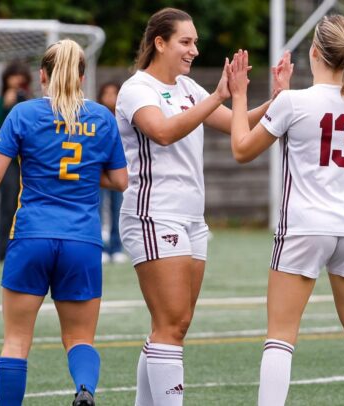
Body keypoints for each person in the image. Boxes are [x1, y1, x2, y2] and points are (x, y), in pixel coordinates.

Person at [115, 7, 291, 406]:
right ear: (159, 43)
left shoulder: (188, 89)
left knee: (173, 324)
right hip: (153, 215)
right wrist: (216, 96)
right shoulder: (136, 88)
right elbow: (160, 132)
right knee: (172, 324)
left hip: (192, 219)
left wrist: (276, 101)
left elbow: (237, 122)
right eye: (185, 41)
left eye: (195, 42)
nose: (194, 49)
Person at [227, 15, 344, 406]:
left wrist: (240, 95)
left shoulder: (293, 102)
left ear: (314, 52)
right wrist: (282, 95)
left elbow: (241, 148)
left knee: (280, 337)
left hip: (305, 227)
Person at [0, 39, 128, 406]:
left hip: (32, 236)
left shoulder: (23, 114)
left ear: (43, 75)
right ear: (82, 77)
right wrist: (79, 174)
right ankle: (84, 390)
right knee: (80, 339)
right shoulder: (101, 117)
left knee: (16, 340)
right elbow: (120, 180)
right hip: (81, 240)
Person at [0, 60, 32, 261]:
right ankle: (3, 248)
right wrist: (7, 105)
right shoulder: (0, 102)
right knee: (8, 203)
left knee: (25, 204)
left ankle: (22, 246)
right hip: (8, 162)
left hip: (28, 160)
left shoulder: (31, 103)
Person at [96, 81, 127, 264]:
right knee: (98, 208)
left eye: (113, 93)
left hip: (118, 169)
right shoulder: (96, 116)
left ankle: (116, 247)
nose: (110, 97)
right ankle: (100, 247)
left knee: (118, 208)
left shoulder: (123, 117)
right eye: (106, 93)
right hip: (99, 170)